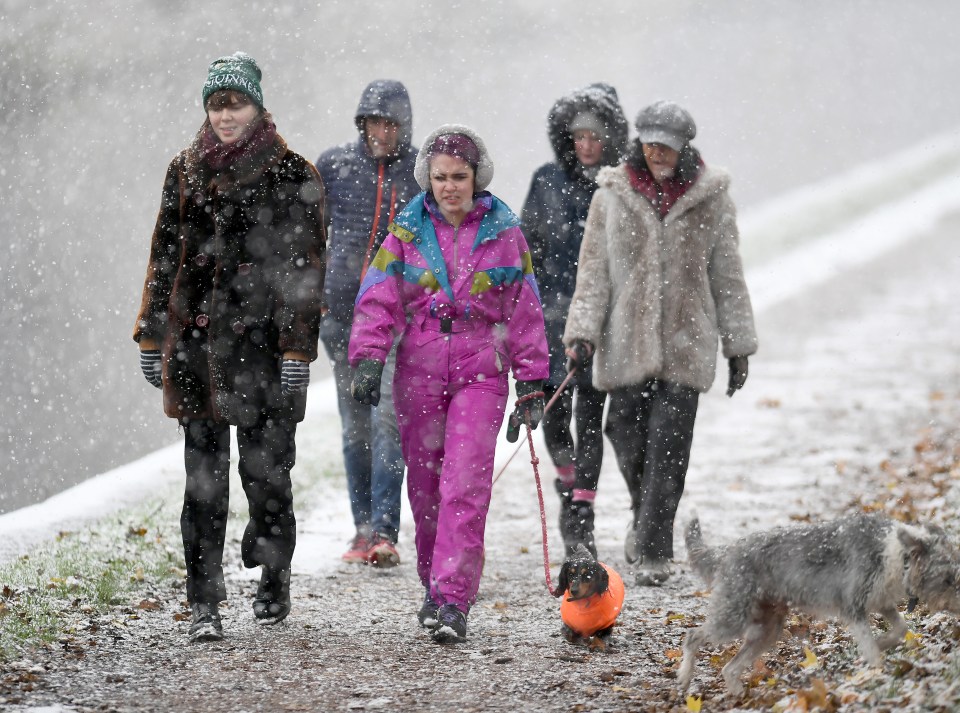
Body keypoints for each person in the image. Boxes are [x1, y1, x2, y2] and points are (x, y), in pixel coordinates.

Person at [133, 52, 325, 641]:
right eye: (217, 104)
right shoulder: (185, 169)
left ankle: (273, 570)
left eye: (235, 103)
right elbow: (165, 253)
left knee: (267, 476)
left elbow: (305, 270)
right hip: (195, 348)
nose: (225, 115)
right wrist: (150, 331)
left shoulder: (295, 174)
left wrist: (297, 350)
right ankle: (204, 602)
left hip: (265, 351)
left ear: (258, 106)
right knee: (202, 483)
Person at [348, 125, 549, 643]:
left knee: (464, 485)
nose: (450, 187)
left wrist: (532, 381)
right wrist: (368, 359)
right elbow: (377, 298)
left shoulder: (505, 233)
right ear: (427, 179)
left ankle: (453, 598)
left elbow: (524, 310)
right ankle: (432, 588)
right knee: (427, 487)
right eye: (440, 177)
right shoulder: (406, 232)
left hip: (481, 371)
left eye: (460, 176)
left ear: (476, 177)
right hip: (418, 369)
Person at [563, 100, 757, 586]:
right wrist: (582, 333)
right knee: (625, 433)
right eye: (650, 144)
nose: (658, 154)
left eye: (666, 146)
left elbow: (727, 274)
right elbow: (593, 274)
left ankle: (653, 547)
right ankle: (641, 511)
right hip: (625, 340)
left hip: (687, 340)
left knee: (670, 444)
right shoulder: (612, 194)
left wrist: (737, 345)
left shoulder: (711, 198)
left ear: (683, 145)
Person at [520, 83, 628, 559]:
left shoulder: (619, 186)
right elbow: (527, 250)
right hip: (549, 317)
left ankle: (581, 514)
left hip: (601, 320)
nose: (586, 145)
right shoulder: (546, 180)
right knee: (552, 413)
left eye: (595, 136)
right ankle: (567, 480)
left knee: (591, 415)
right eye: (578, 135)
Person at [314, 80, 419, 567]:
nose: (380, 132)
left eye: (390, 123)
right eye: (373, 122)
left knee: (387, 425)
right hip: (340, 320)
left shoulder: (420, 174)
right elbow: (307, 236)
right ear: (361, 123)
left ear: (404, 127)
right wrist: (313, 296)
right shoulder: (334, 166)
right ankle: (361, 528)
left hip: (397, 322)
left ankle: (383, 530)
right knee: (355, 427)